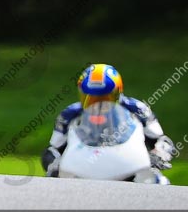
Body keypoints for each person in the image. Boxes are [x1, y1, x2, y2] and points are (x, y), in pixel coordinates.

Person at [41, 63, 176, 181]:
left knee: (158, 181)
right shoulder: (69, 114)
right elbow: (52, 149)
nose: (98, 103)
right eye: (90, 98)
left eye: (105, 97)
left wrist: (158, 155)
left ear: (118, 93)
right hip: (84, 169)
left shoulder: (138, 109)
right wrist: (56, 165)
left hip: (130, 166)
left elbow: (163, 141)